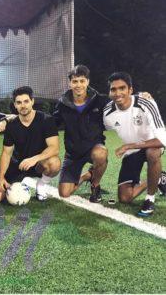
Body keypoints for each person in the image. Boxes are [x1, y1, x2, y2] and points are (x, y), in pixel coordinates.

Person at [103, 72, 166, 216]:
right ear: (110, 92)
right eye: (113, 89)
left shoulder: (146, 102)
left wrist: (129, 146)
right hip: (132, 152)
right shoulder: (108, 113)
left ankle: (150, 198)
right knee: (125, 198)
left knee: (153, 152)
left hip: (150, 145)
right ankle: (158, 179)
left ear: (130, 90)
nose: (118, 93)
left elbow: (162, 140)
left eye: (122, 88)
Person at [0, 86, 61, 202]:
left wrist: (34, 159)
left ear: (32, 101)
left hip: (39, 163)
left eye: (26, 101)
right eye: (19, 102)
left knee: (54, 163)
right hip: (18, 164)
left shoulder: (46, 120)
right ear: (14, 105)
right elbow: (6, 153)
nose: (23, 105)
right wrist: (1, 177)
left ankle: (41, 184)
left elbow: (54, 148)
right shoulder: (11, 125)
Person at [53, 65, 109, 203]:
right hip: (73, 153)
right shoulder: (63, 104)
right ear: (70, 83)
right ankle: (88, 175)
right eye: (75, 81)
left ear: (88, 82)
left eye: (82, 81)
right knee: (64, 193)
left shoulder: (99, 100)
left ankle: (95, 185)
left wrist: (139, 96)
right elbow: (51, 121)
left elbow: (120, 101)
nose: (78, 85)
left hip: (93, 148)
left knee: (100, 154)